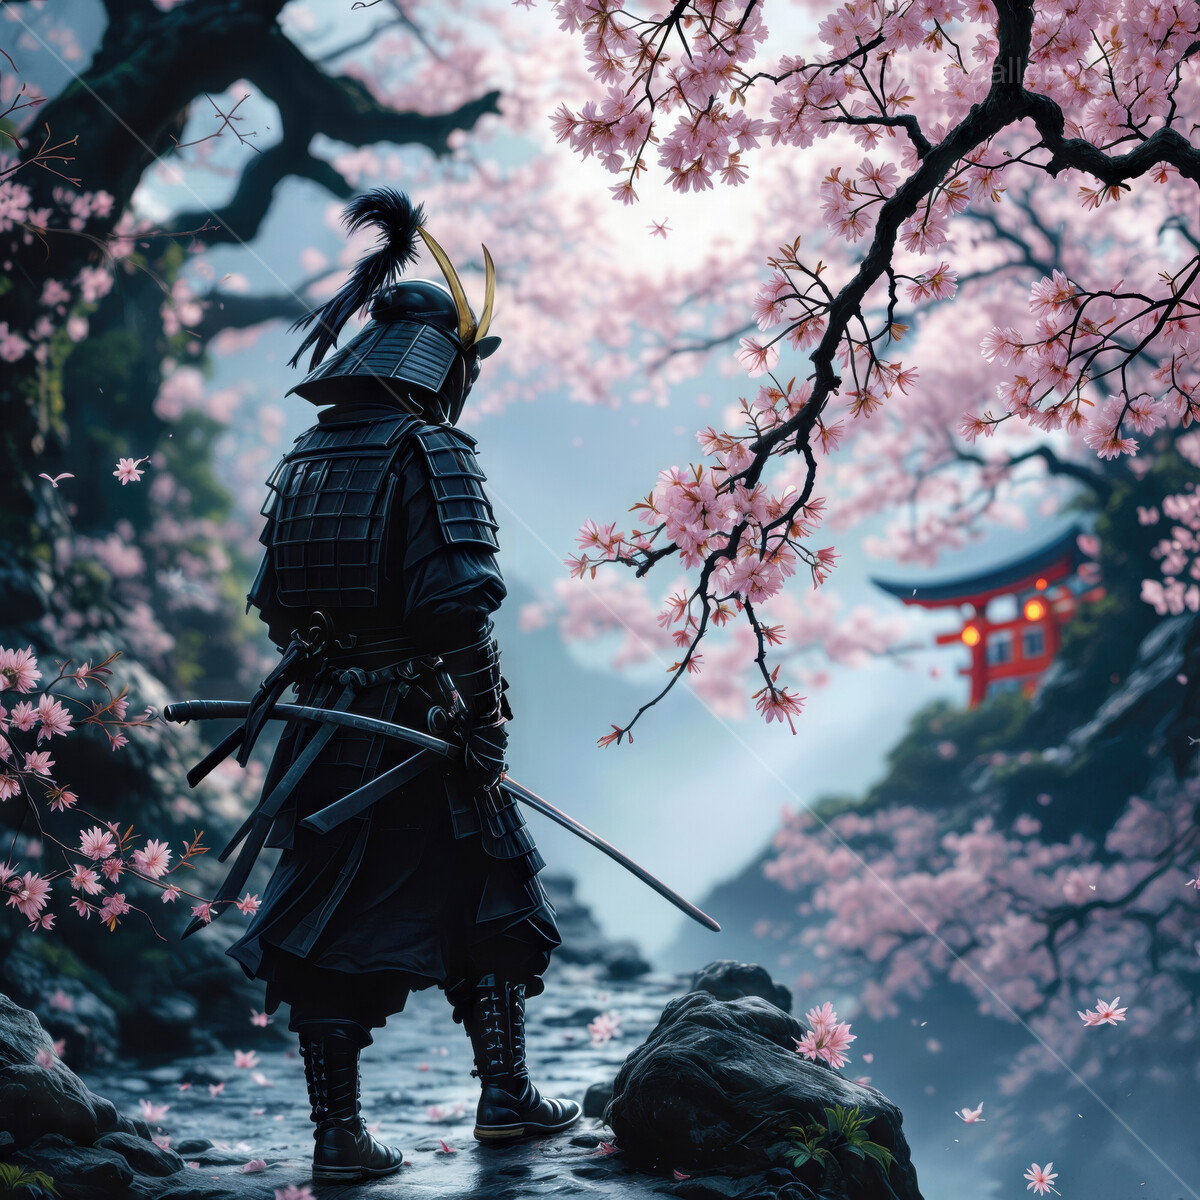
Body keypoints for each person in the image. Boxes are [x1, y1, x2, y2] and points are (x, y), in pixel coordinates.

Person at [203, 190, 580, 1181]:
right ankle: (500, 1099)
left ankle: (345, 1136)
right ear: (444, 366)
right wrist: (484, 719)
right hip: (421, 722)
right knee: (491, 887)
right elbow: (457, 604)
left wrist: (342, 656)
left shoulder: (305, 459)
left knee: (327, 912)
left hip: (325, 728)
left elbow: (276, 605)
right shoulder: (430, 449)